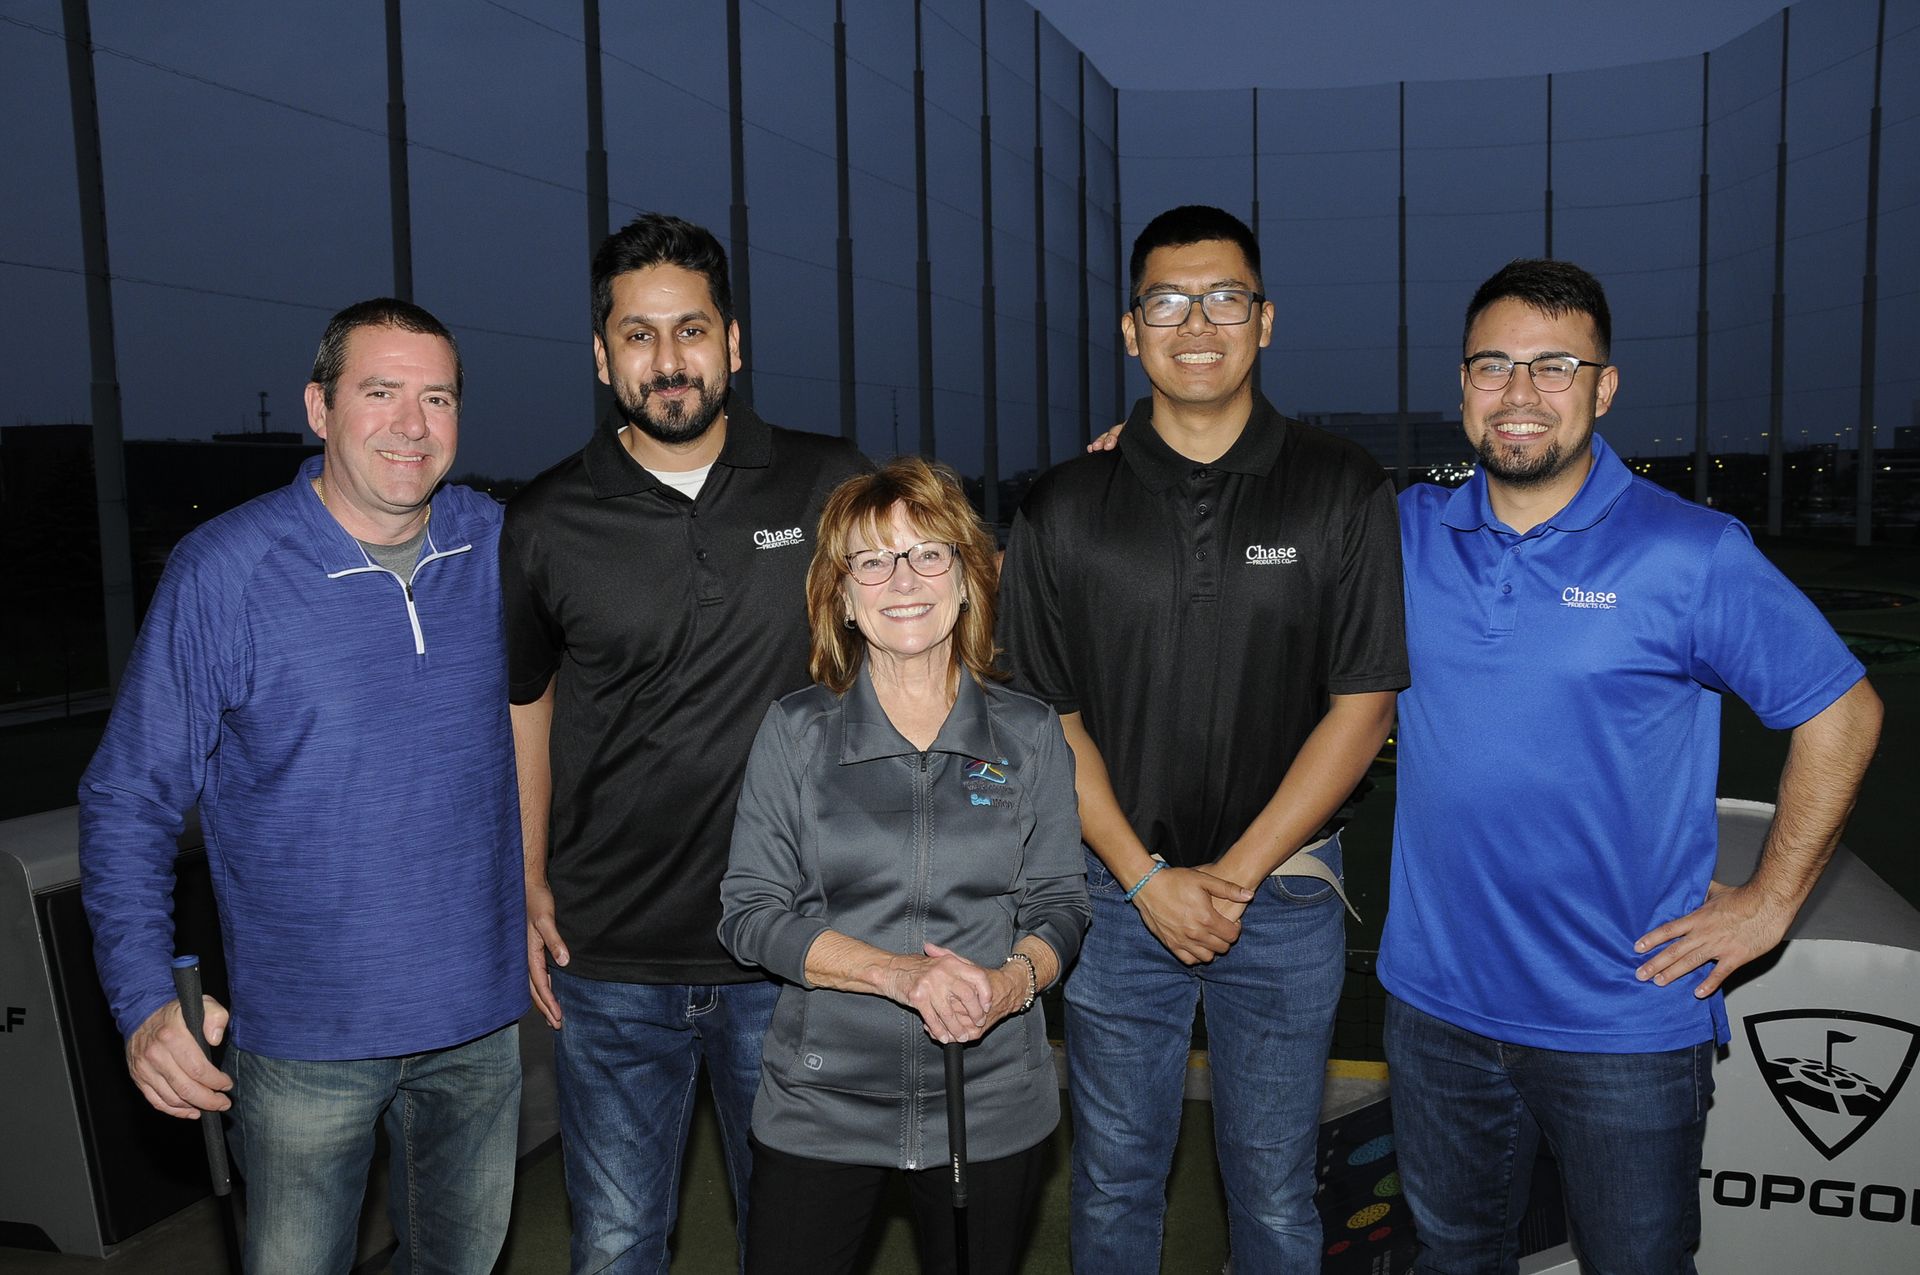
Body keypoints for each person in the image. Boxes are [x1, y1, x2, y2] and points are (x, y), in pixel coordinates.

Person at [1381, 258, 1884, 1273]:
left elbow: (1844, 711)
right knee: (1450, 1259)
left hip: (1621, 1021)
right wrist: (1163, 457)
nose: (1520, 395)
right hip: (1434, 1009)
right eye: (1494, 366)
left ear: (1604, 388)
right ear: (1462, 385)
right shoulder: (1402, 532)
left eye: (1554, 367)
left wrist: (1773, 901)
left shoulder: (1690, 552)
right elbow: (1261, 531)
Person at [998, 204, 1409, 1272]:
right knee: (1114, 1179)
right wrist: (1145, 879)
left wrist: (1228, 879)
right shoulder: (1062, 504)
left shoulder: (1342, 485)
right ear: (1131, 331)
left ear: (1264, 321)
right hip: (1109, 896)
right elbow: (1051, 716)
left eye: (1225, 298)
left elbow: (1362, 706)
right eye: (1166, 302)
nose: (1197, 323)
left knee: (1273, 1193)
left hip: (1282, 898)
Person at [78, 298, 528, 1273]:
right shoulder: (224, 573)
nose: (412, 424)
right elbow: (128, 798)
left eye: (437, 397)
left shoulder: (504, 548)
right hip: (302, 1045)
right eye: (381, 393)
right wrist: (145, 997)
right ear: (319, 409)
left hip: (481, 1029)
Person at [501, 212, 869, 1272]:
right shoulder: (545, 520)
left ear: (734, 343)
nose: (669, 362)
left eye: (692, 330)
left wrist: (1114, 464)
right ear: (602, 353)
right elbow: (526, 703)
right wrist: (528, 876)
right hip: (610, 957)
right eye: (639, 334)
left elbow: (935, 580)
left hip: (794, 951)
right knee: (616, 1246)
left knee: (794, 1248)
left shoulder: (827, 481)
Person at [718, 457, 1089, 1275]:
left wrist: (1012, 983)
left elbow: (1062, 901)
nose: (903, 580)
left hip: (991, 1102)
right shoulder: (796, 731)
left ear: (967, 578)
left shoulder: (1028, 733)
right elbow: (750, 913)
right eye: (873, 560)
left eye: (929, 553)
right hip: (821, 1100)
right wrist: (897, 976)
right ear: (842, 597)